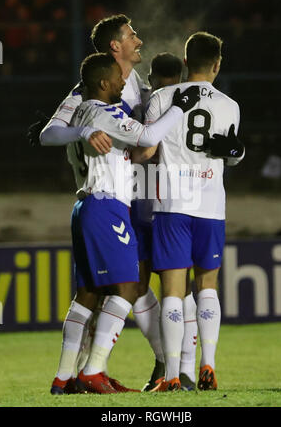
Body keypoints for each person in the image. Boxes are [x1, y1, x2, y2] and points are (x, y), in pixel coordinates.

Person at [49, 51, 201, 394]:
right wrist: (180, 107)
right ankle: (93, 370)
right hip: (107, 207)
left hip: (86, 205)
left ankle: (63, 378)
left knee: (88, 294)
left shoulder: (83, 110)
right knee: (130, 287)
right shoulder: (106, 113)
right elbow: (147, 138)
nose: (124, 83)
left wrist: (83, 132)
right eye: (119, 79)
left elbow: (49, 134)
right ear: (105, 83)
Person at [33, 14, 165, 391]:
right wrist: (83, 130)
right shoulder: (85, 94)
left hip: (133, 191)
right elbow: (50, 134)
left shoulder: (134, 85)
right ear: (115, 46)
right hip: (107, 196)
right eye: (132, 35)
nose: (139, 40)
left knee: (108, 289)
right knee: (129, 284)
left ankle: (75, 376)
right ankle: (130, 366)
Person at [133, 31, 245, 392]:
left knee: (172, 291)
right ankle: (207, 365)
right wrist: (237, 152)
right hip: (211, 206)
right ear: (217, 64)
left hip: (171, 206)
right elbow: (232, 152)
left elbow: (146, 153)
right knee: (207, 286)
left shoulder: (163, 97)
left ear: (184, 62)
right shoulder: (230, 105)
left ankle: (169, 376)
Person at [134, 52, 198, 391]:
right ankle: (174, 363)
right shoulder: (184, 104)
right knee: (166, 288)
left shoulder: (147, 102)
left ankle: (173, 364)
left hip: (153, 204)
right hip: (167, 203)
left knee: (153, 288)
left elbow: (139, 148)